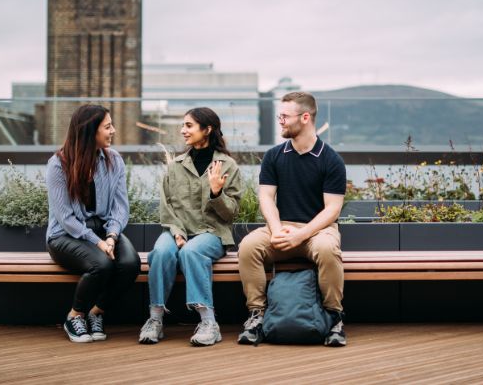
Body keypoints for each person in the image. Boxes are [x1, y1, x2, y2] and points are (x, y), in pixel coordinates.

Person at [237, 91, 347, 347]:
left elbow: (332, 210)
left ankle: (334, 319)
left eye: (285, 116)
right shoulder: (274, 156)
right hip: (281, 228)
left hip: (318, 231)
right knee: (248, 248)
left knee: (328, 249)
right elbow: (266, 197)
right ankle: (257, 316)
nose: (281, 121)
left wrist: (302, 234)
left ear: (305, 117)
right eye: (280, 116)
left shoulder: (331, 160)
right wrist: (275, 230)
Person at [139, 107, 242, 347]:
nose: (183, 130)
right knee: (162, 252)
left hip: (212, 233)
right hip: (177, 229)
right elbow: (167, 207)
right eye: (183, 125)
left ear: (207, 130)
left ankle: (209, 323)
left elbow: (232, 213)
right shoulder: (175, 165)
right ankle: (155, 320)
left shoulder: (227, 165)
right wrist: (177, 233)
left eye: (189, 126)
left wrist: (216, 191)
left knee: (191, 251)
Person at [46, 104, 140, 343]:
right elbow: (65, 217)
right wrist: (96, 242)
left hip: (104, 231)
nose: (113, 131)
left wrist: (111, 236)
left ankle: (96, 312)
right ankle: (74, 316)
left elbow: (120, 207)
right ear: (90, 131)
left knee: (130, 263)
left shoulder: (114, 160)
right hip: (64, 235)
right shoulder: (58, 164)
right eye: (108, 126)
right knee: (101, 265)